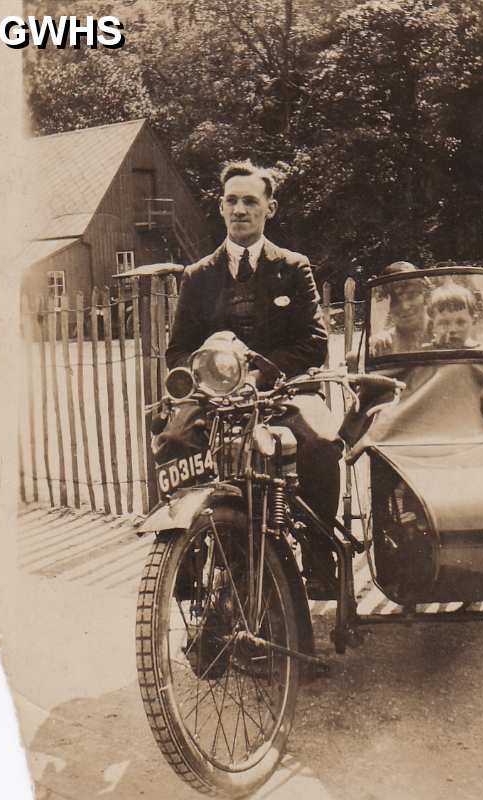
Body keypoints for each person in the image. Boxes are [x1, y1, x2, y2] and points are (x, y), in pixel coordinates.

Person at [166, 160, 342, 598]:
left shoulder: (293, 266)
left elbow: (314, 343)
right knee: (173, 440)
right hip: (216, 397)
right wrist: (212, 369)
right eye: (231, 200)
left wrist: (260, 373)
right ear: (220, 208)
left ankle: (319, 559)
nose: (239, 209)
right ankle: (184, 558)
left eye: (250, 200)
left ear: (270, 209)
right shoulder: (198, 276)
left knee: (320, 441)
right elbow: (177, 351)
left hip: (287, 391)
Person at [370, 261, 431, 355]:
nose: (405, 306)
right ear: (388, 306)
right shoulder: (384, 343)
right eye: (395, 300)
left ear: (425, 295)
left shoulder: (448, 329)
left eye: (411, 295)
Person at [427, 282, 479, 348]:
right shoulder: (424, 354)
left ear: (474, 321)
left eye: (461, 322)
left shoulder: (481, 353)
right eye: (444, 323)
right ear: (432, 325)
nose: (452, 329)